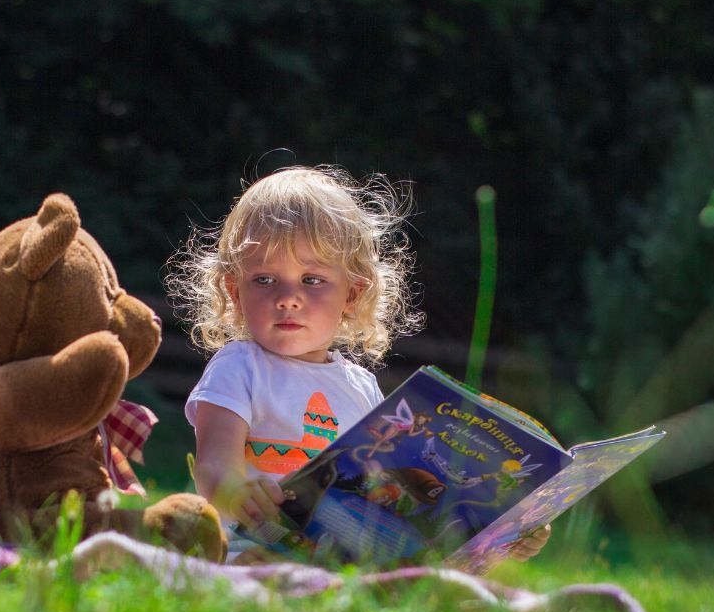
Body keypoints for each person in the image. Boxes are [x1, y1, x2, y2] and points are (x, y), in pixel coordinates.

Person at [166, 165, 550, 563]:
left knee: (448, 592)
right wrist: (236, 493)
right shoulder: (239, 367)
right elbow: (213, 467)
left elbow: (383, 489)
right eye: (264, 279)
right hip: (255, 547)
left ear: (352, 294)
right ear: (234, 290)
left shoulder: (361, 386)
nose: (288, 298)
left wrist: (505, 533)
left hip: (346, 559)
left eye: (312, 280)